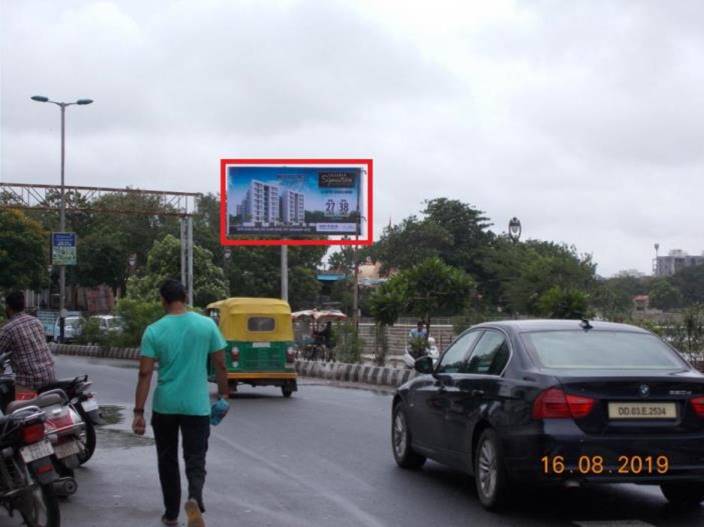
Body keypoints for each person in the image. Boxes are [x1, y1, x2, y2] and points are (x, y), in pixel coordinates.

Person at [132, 280, 230, 527]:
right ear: (185, 297)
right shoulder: (207, 325)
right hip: (197, 406)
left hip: (165, 406)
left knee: (167, 459)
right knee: (195, 458)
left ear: (163, 300)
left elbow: (145, 374)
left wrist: (138, 412)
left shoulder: (153, 330)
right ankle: (195, 498)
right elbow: (220, 364)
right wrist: (224, 396)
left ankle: (171, 513)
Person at [0, 291, 56, 393]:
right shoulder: (36, 321)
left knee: (11, 408)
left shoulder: (8, 329)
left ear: (8, 307)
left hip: (29, 381)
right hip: (50, 375)